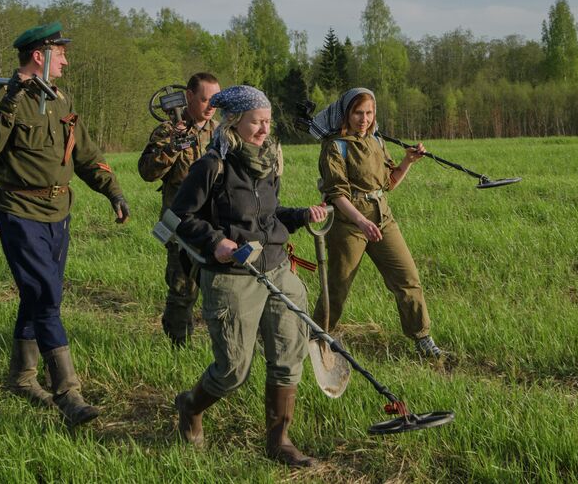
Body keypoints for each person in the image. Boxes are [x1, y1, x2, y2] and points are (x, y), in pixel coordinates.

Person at [0, 22, 130, 426]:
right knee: (45, 293)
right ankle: (68, 393)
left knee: (37, 294)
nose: (67, 60)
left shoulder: (61, 100)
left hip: (59, 212)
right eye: (61, 53)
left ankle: (22, 377)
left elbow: (86, 154)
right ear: (39, 56)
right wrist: (9, 102)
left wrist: (113, 191)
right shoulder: (1, 97)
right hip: (19, 210)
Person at [169, 85, 327, 467]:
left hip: (275, 267)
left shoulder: (269, 161)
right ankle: (190, 406)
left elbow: (267, 219)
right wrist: (215, 242)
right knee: (232, 371)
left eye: (268, 122)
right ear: (235, 122)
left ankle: (279, 441)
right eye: (257, 122)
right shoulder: (212, 165)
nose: (264, 129)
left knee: (288, 356)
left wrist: (302, 215)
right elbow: (178, 218)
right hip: (232, 275)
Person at [309, 88, 443, 358]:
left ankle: (422, 337)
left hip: (382, 217)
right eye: (358, 112)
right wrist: (361, 222)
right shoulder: (335, 146)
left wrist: (408, 161)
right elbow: (337, 194)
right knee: (337, 286)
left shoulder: (377, 142)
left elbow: (388, 183)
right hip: (349, 222)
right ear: (347, 113)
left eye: (369, 113)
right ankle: (315, 337)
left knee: (407, 278)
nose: (364, 118)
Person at [138, 72, 220, 345]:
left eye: (216, 101)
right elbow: (147, 172)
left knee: (219, 288)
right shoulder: (168, 130)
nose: (211, 107)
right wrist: (173, 146)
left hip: (214, 225)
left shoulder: (220, 131)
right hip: (179, 227)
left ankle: (220, 344)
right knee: (182, 290)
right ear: (189, 97)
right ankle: (178, 346)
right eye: (206, 99)